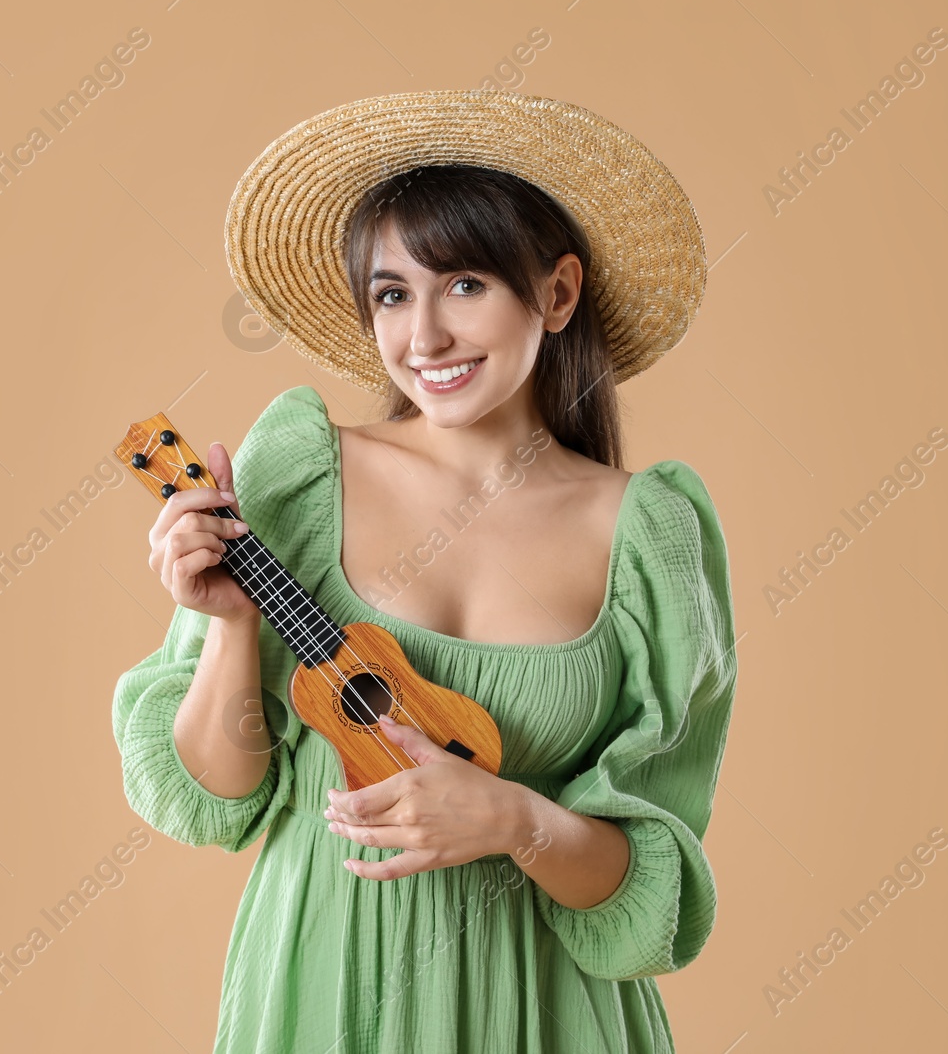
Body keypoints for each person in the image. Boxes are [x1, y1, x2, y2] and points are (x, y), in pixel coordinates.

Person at [112, 89, 739, 1053]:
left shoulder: (647, 532)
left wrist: (514, 819)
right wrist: (234, 624)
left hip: (550, 1013)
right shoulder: (305, 469)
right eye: (394, 294)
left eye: (465, 285)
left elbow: (647, 885)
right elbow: (216, 794)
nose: (425, 339)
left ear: (559, 293)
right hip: (325, 988)